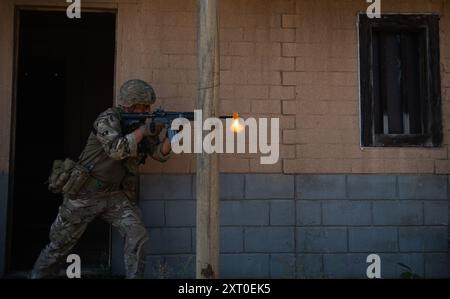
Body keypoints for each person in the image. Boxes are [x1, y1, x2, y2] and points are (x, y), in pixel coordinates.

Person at [30, 79, 172, 279]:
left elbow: (159, 153)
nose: (148, 110)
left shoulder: (141, 124)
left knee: (137, 234)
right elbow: (117, 150)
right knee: (59, 245)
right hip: (84, 194)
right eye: (144, 106)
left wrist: (173, 134)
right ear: (131, 104)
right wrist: (143, 130)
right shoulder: (108, 119)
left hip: (113, 195)